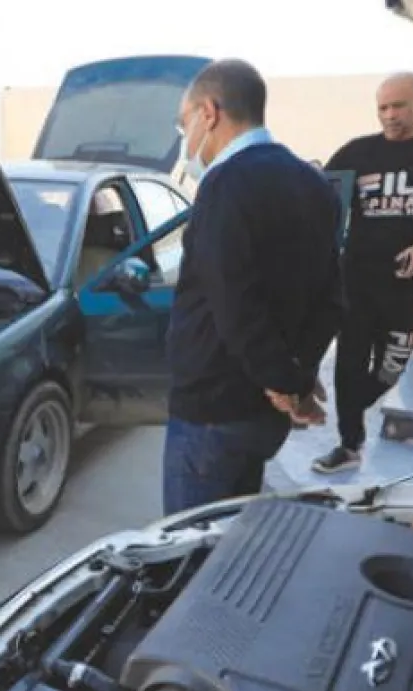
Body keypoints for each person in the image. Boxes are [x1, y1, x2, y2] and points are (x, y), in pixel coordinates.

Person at [163, 59, 343, 515]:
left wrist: (283, 381)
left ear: (209, 112)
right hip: (265, 416)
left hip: (213, 411)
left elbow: (235, 304)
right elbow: (330, 296)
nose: (185, 140)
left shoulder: (225, 185)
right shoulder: (312, 182)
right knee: (234, 531)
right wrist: (297, 379)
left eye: (184, 124)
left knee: (191, 546)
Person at [313, 72, 413, 475]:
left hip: (407, 286)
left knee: (393, 364)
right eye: (383, 108)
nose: (390, 115)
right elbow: (321, 192)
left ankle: (362, 403)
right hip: (357, 278)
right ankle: (349, 443)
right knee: (349, 364)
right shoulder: (358, 152)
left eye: (399, 106)